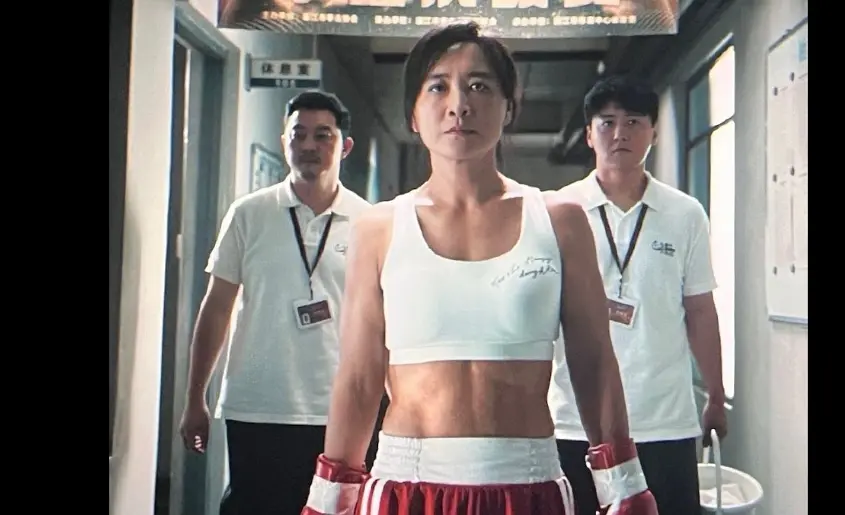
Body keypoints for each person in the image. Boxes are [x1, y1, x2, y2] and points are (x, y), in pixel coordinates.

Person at [300, 23, 659, 515]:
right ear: (413, 113)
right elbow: (360, 380)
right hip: (407, 487)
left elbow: (593, 364)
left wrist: (625, 487)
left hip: (528, 485)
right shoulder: (378, 227)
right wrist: (326, 501)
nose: (459, 104)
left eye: (479, 86)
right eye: (438, 86)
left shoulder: (560, 220)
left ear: (508, 107)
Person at [178, 90, 374, 515]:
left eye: (322, 135)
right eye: (298, 134)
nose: (308, 145)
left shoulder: (369, 222)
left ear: (345, 146)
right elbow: (216, 307)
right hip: (258, 404)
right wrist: (195, 398)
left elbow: (385, 322)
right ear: (284, 141)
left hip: (340, 409)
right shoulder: (249, 214)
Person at [547, 75, 728, 515]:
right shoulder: (558, 211)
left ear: (654, 132)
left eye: (633, 122)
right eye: (607, 122)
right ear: (589, 134)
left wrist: (716, 394)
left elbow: (700, 310)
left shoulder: (684, 214)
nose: (620, 133)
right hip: (574, 420)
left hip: (664, 420)